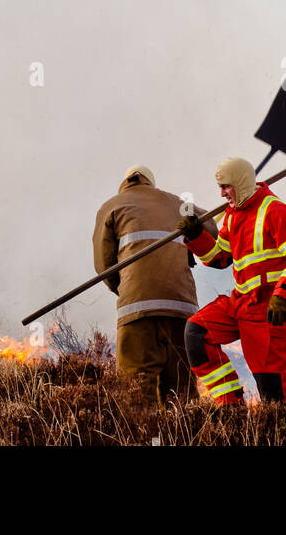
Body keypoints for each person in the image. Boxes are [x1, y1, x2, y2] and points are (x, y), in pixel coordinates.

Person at [176, 157, 286, 427]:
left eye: (226, 186)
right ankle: (231, 409)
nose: (222, 193)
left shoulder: (277, 211)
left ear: (239, 183)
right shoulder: (233, 214)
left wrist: (283, 295)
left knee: (270, 382)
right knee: (196, 333)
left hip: (271, 310)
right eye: (220, 187)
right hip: (241, 304)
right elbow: (220, 258)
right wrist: (196, 237)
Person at [93, 165, 215, 405]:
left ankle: (147, 441)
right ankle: (179, 439)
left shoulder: (111, 206)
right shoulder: (178, 204)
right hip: (182, 311)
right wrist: (194, 232)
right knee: (181, 394)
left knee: (136, 392)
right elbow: (213, 226)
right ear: (151, 183)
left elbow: (103, 266)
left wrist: (125, 288)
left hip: (137, 312)